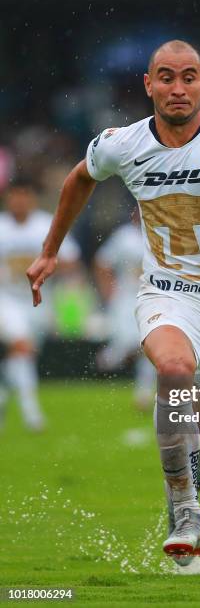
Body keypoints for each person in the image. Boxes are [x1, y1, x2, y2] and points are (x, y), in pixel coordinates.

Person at [26, 40, 200, 564]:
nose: (178, 88)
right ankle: (185, 508)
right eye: (166, 77)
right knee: (173, 369)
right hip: (167, 295)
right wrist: (50, 251)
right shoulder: (121, 143)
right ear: (149, 85)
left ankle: (193, 485)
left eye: (188, 77)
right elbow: (81, 176)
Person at [0, 179, 80, 431]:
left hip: (38, 301)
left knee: (24, 354)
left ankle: (3, 394)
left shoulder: (45, 225)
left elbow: (70, 259)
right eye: (14, 196)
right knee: (21, 346)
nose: (19, 201)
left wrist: (51, 267)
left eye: (24, 196)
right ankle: (31, 414)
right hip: (7, 300)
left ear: (32, 199)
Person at [94, 209, 155, 408]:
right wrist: (108, 293)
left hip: (153, 299)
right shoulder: (124, 237)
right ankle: (104, 362)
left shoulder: (163, 235)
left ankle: (143, 394)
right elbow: (102, 262)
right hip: (126, 299)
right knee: (127, 344)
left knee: (150, 344)